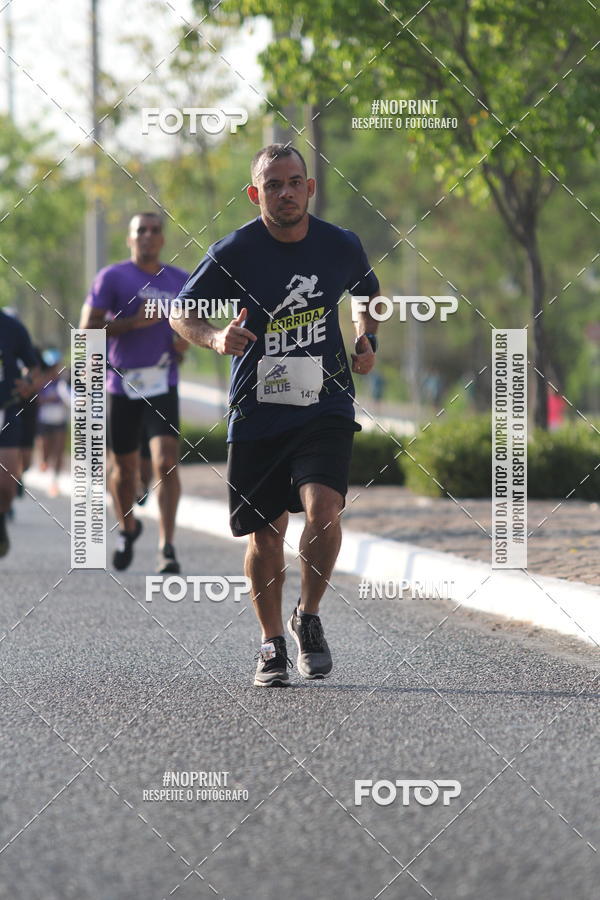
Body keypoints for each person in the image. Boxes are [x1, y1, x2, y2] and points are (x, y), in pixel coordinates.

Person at [171, 144, 380, 686]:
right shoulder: (234, 250)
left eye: (294, 182)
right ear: (254, 193)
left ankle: (308, 618)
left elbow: (368, 292)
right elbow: (181, 312)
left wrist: (365, 336)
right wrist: (216, 337)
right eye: (273, 185)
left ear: (310, 188)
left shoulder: (341, 244)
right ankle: (270, 644)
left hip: (325, 400)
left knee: (325, 509)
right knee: (265, 535)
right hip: (259, 407)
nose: (284, 193)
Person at [79, 212, 189, 573]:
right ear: (129, 239)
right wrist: (131, 323)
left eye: (155, 230)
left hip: (163, 382)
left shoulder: (179, 280)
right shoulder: (112, 277)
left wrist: (185, 342)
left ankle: (168, 546)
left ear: (162, 238)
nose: (148, 236)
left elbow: (194, 325)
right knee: (124, 472)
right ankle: (128, 527)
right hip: (122, 384)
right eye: (140, 230)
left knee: (165, 461)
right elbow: (87, 330)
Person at [0, 307, 40, 557]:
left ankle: (1, 517)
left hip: (5, 409)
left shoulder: (11, 327)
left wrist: (28, 382)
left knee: (7, 485)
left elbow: (33, 368)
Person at [36, 348, 70, 497]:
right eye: (52, 366)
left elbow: (69, 398)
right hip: (44, 420)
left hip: (60, 420)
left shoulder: (63, 381)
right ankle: (44, 467)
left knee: (58, 452)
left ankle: (54, 482)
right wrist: (50, 399)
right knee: (45, 453)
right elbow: (37, 399)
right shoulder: (41, 381)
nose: (55, 368)